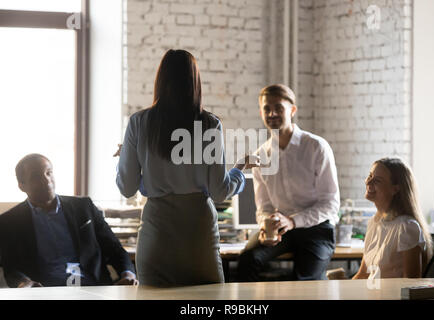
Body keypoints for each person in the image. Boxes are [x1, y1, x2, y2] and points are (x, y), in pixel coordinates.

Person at [116, 49, 258, 287]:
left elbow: (127, 187)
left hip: (157, 231)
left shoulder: (139, 123)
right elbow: (220, 191)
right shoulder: (210, 124)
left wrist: (128, 160)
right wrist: (239, 170)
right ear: (195, 81)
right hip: (198, 234)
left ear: (160, 80)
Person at [237, 84, 340, 281]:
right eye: (267, 108)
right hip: (280, 230)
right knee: (247, 260)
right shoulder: (260, 156)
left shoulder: (316, 147)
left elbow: (330, 204)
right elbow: (264, 207)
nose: (272, 113)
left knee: (304, 281)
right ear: (261, 112)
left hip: (316, 229)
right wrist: (265, 226)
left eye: (279, 108)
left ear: (292, 110)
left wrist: (293, 221)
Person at [0, 154, 137, 288]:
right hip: (45, 292)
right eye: (36, 176)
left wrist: (128, 275)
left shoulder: (83, 207)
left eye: (49, 173)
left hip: (93, 287)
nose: (46, 180)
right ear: (21, 185)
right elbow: (11, 268)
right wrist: (24, 283)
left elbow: (115, 250)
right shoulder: (10, 221)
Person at [352, 157, 433, 279]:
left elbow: (410, 284)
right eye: (370, 176)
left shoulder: (407, 227)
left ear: (395, 189)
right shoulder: (374, 223)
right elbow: (363, 274)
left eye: (377, 180)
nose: (368, 182)